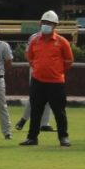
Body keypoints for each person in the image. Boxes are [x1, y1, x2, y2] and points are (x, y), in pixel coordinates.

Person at [21, 10, 73, 147]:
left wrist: (57, 71)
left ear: (55, 25)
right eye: (44, 22)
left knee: (59, 112)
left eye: (49, 23)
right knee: (35, 111)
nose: (46, 25)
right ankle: (32, 138)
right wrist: (39, 69)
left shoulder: (62, 42)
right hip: (38, 81)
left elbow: (69, 61)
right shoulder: (35, 41)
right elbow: (30, 58)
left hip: (56, 83)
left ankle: (63, 137)